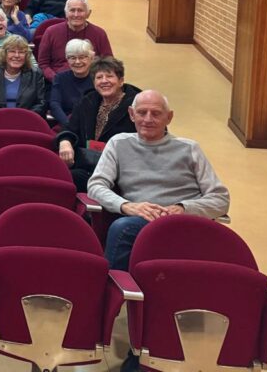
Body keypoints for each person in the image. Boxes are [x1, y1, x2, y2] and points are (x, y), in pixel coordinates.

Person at [87, 90, 230, 347]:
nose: (148, 119)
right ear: (131, 114)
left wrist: (183, 208)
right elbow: (96, 186)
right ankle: (108, 302)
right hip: (141, 219)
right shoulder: (119, 143)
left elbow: (220, 198)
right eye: (142, 113)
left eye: (156, 113)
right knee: (122, 227)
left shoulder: (189, 148)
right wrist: (127, 205)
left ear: (169, 117)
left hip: (183, 222)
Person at [56, 56, 140, 191]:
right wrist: (65, 141)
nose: (104, 81)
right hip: (88, 164)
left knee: (67, 180)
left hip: (120, 171)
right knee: (58, 176)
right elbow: (70, 127)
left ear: (121, 81)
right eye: (99, 77)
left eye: (109, 76)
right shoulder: (87, 100)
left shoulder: (138, 105)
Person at [37, 0, 113, 82]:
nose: (76, 15)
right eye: (72, 10)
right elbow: (43, 64)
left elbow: (108, 63)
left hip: (91, 82)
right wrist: (56, 79)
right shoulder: (51, 32)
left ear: (88, 13)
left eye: (80, 10)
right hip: (57, 81)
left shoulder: (99, 33)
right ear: (66, 13)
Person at [0, 36, 47, 117]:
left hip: (25, 120)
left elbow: (41, 103)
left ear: (26, 55)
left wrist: (24, 117)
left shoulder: (35, 74)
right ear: (4, 54)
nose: (17, 55)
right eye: (12, 51)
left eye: (21, 52)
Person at [49, 39, 96, 127]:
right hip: (67, 124)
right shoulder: (60, 78)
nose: (77, 62)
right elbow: (54, 104)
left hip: (93, 126)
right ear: (67, 59)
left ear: (91, 58)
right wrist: (69, 125)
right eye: (73, 58)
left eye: (82, 57)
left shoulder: (98, 78)